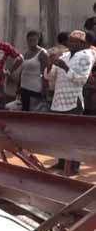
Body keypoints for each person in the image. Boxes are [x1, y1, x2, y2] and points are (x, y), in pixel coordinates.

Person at [46, 30, 95, 175]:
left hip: (73, 101)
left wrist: (64, 67)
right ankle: (61, 163)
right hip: (58, 101)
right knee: (59, 136)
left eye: (75, 41)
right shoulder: (65, 55)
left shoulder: (86, 56)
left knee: (73, 137)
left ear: (82, 44)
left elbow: (81, 80)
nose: (71, 43)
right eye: (70, 40)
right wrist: (50, 65)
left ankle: (73, 166)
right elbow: (50, 77)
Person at [19, 31, 49, 112]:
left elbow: (45, 72)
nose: (31, 42)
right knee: (24, 111)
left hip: (35, 88)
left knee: (34, 112)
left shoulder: (43, 53)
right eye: (29, 40)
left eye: (34, 40)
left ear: (37, 40)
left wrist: (44, 88)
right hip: (24, 87)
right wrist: (18, 86)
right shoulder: (26, 53)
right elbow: (22, 71)